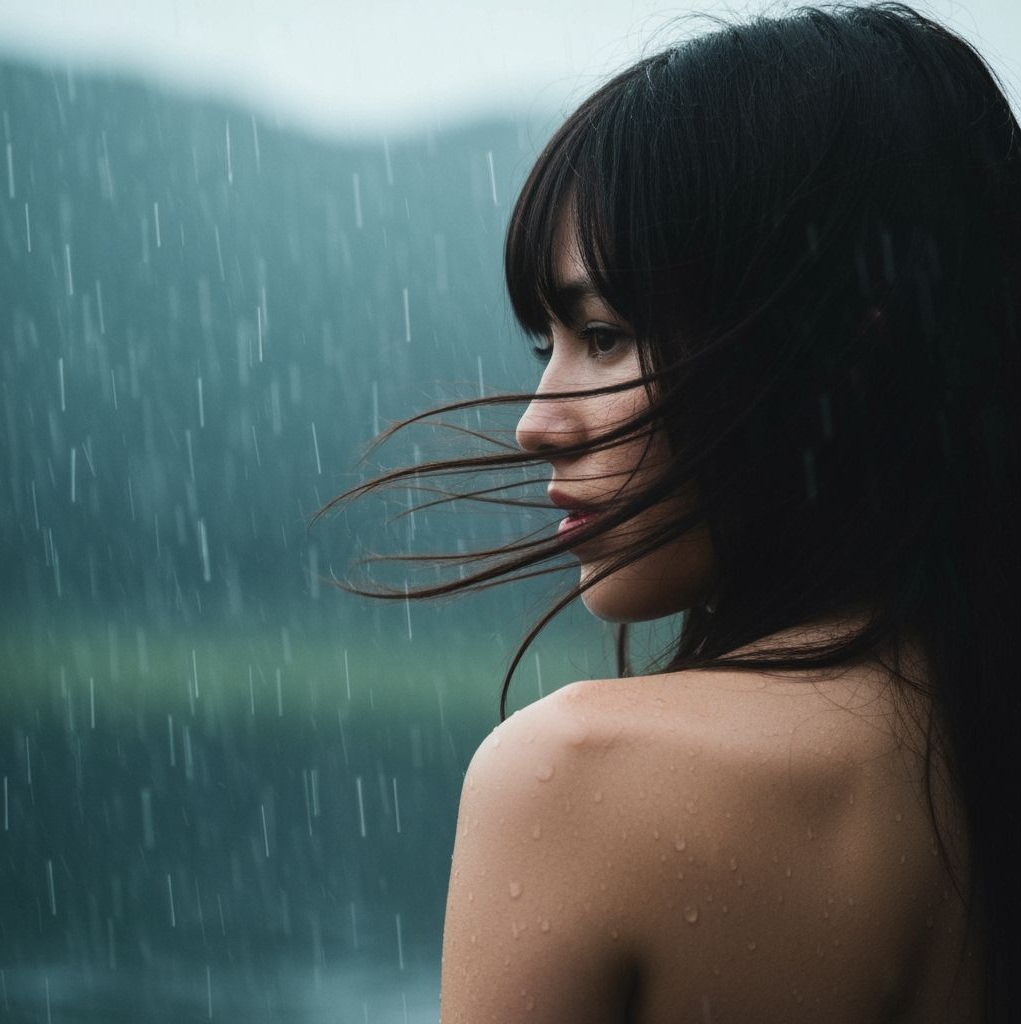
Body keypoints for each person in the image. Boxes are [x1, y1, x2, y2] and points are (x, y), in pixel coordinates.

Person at [326, 2, 1019, 1020]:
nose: (534, 424)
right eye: (545, 347)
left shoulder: (579, 779)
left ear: (846, 357)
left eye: (603, 335)